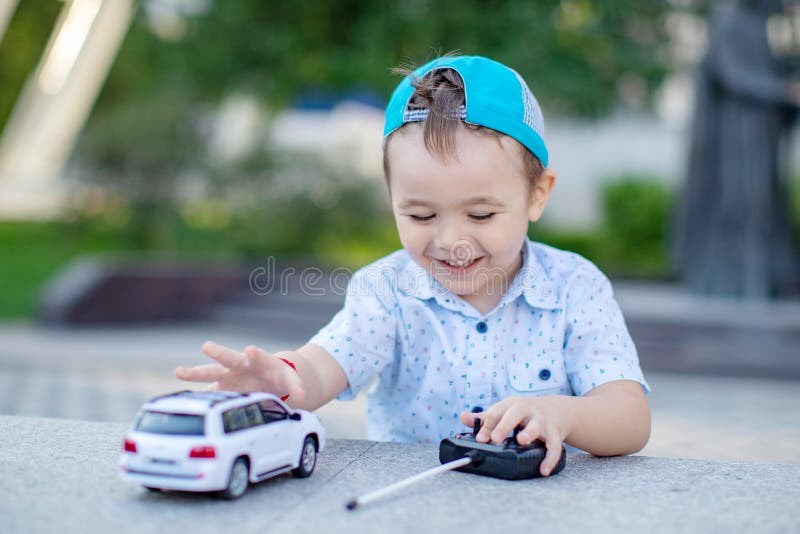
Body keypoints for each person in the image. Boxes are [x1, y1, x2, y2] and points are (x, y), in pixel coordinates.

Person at [176, 55, 651, 476]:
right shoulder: (385, 290)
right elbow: (329, 363)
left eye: (481, 215)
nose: (451, 242)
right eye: (421, 215)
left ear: (537, 194)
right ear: (392, 199)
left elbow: (630, 418)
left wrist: (563, 414)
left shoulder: (576, 288)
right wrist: (287, 376)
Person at [674, 0, 800, 297]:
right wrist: (782, 91)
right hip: (735, 142)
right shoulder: (731, 19)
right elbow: (732, 75)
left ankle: (761, 284)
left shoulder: (762, 23)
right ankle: (742, 285)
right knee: (742, 207)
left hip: (760, 137)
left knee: (765, 209)